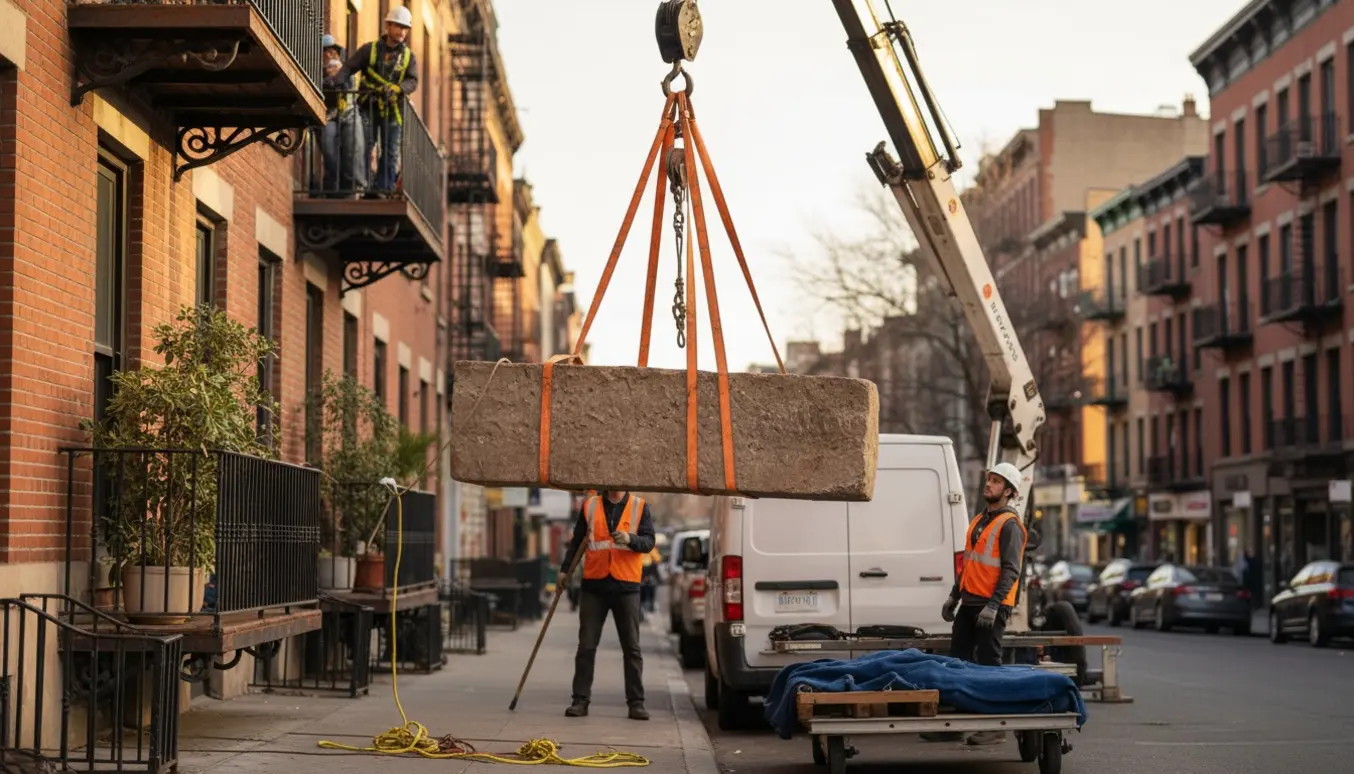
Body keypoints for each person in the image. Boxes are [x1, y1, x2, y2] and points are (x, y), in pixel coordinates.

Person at [931, 462, 1029, 746]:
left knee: (989, 664)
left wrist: (994, 606)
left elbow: (1011, 570)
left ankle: (995, 728)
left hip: (991, 605)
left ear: (1008, 491)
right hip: (971, 602)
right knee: (957, 662)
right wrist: (954, 595)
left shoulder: (1010, 526)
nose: (989, 484)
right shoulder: (979, 521)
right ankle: (955, 724)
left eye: (996, 481)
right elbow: (970, 566)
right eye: (989, 479)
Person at [560, 490, 657, 721]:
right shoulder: (590, 506)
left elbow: (649, 542)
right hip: (595, 586)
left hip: (627, 586)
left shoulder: (640, 506)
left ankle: (636, 703)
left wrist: (631, 539)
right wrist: (565, 570)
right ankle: (580, 701)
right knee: (586, 646)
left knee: (632, 648)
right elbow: (578, 542)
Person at [334, 6, 418, 194]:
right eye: (398, 26)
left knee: (390, 151)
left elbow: (412, 81)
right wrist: (337, 83)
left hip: (392, 109)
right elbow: (348, 67)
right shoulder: (369, 50)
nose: (402, 32)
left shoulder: (408, 58)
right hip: (367, 107)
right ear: (388, 25)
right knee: (362, 145)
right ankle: (361, 184)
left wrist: (398, 88)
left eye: (405, 28)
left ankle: (383, 189)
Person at [320, 34, 366, 194]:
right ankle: (333, 182)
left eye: (332, 52)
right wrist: (328, 79)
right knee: (328, 148)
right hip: (327, 117)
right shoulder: (319, 75)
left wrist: (338, 76)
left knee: (353, 148)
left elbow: (349, 88)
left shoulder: (346, 71)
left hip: (347, 115)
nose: (329, 55)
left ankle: (353, 185)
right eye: (325, 52)